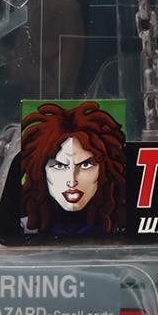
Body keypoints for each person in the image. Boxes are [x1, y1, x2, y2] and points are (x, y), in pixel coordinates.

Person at [20, 101, 127, 236]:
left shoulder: (124, 225)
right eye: (59, 166)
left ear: (106, 169)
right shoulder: (21, 228)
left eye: (85, 165)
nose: (72, 181)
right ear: (39, 171)